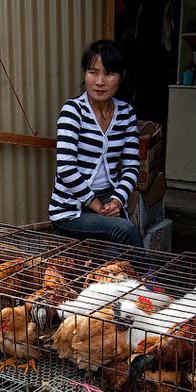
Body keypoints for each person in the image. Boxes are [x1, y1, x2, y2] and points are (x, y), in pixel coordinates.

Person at [48, 39, 144, 248]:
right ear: (85, 74)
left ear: (122, 75)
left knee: (118, 255)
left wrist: (117, 201)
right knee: (126, 232)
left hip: (109, 201)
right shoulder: (73, 111)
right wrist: (97, 205)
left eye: (109, 73)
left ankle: (128, 279)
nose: (100, 81)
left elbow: (131, 165)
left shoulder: (126, 113)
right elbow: (66, 169)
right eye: (93, 72)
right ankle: (147, 278)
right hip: (71, 208)